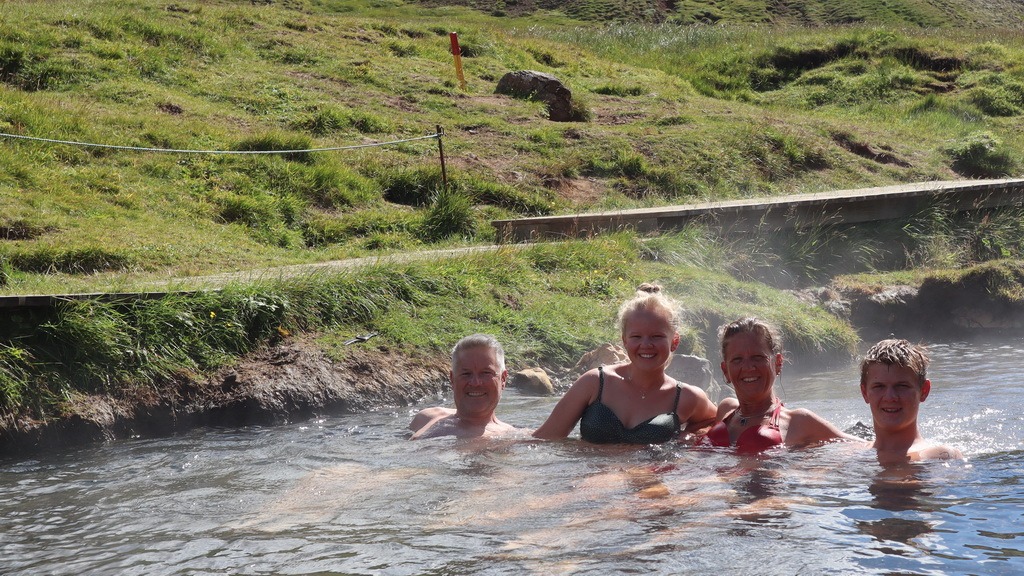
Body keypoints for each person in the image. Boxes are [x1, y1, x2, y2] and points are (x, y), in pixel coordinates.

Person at [533, 283, 717, 444]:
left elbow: (718, 421)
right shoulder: (595, 383)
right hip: (590, 480)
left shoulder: (687, 397)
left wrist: (690, 436)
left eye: (657, 336)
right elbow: (545, 438)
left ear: (674, 341)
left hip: (647, 482)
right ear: (624, 341)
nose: (646, 345)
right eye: (636, 337)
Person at [703, 317, 855, 453]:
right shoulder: (726, 410)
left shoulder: (799, 421)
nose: (748, 367)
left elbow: (862, 448)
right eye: (737, 360)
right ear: (725, 370)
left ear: (777, 363)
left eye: (758, 357)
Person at [858, 338, 963, 463]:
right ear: (865, 393)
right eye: (879, 386)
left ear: (924, 391)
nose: (890, 397)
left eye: (902, 386)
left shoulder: (940, 455)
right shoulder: (851, 452)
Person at [409, 334, 520, 440]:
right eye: (466, 374)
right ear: (452, 379)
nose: (475, 383)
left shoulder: (509, 437)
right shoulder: (426, 417)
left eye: (486, 373)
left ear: (503, 379)